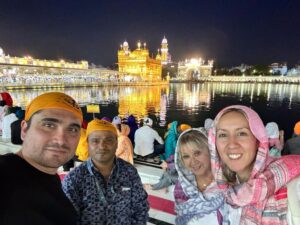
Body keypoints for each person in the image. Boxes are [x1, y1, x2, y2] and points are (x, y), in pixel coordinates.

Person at [0, 92, 83, 225]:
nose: (61, 140)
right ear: (24, 130)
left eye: (72, 129)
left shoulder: (51, 178)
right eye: (49, 125)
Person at [209, 105, 300, 225]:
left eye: (241, 133)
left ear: (258, 141)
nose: (231, 144)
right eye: (223, 135)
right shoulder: (223, 193)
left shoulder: (294, 188)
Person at [62, 119, 149, 225]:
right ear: (87, 144)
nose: (102, 146)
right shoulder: (74, 179)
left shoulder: (129, 172)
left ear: (117, 144)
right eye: (95, 141)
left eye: (109, 140)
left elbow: (141, 207)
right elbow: (67, 218)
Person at [174, 128, 228, 225]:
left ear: (210, 151)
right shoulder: (181, 188)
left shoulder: (228, 181)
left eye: (197, 153)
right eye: (186, 156)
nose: (193, 162)